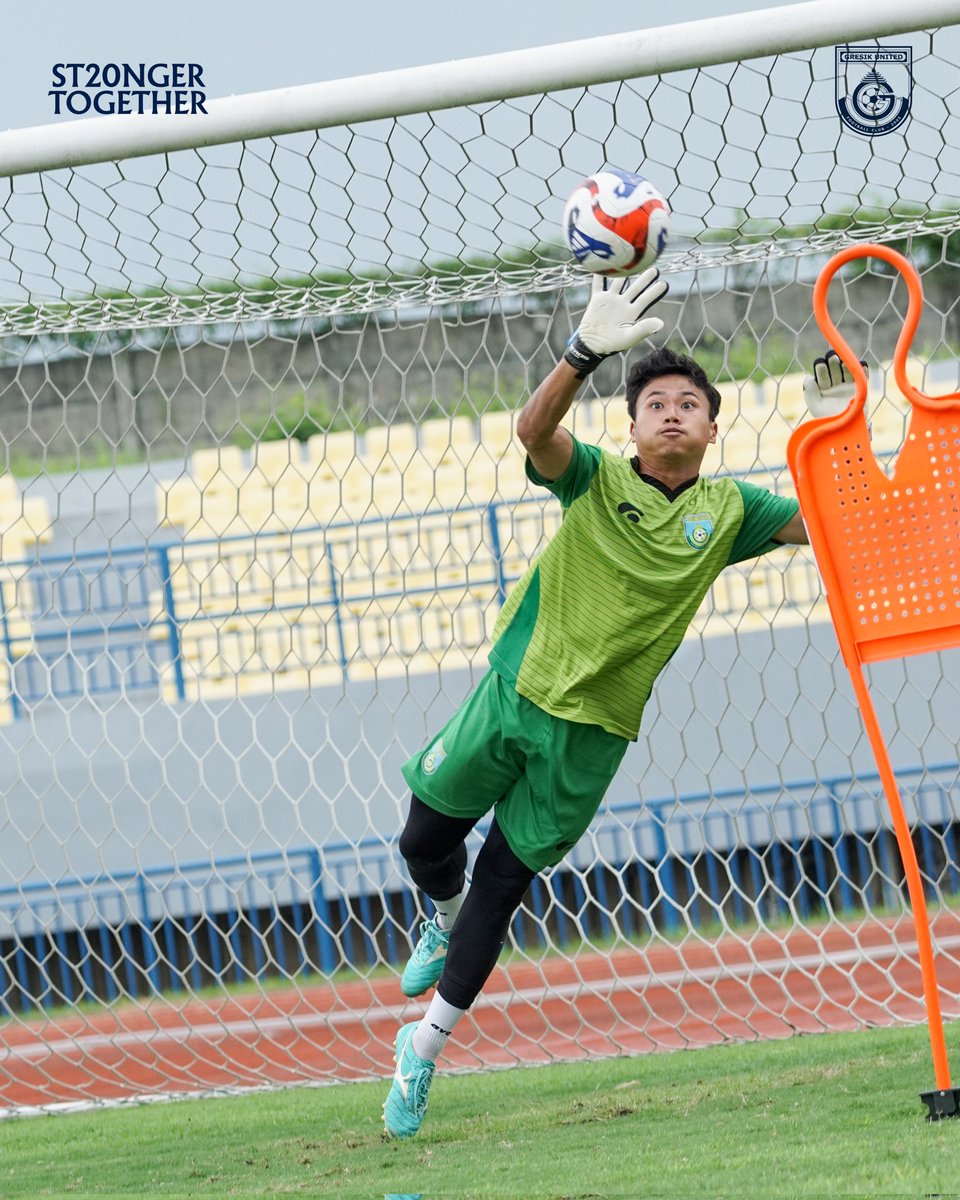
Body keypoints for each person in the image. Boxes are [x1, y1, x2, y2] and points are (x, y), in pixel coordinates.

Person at [382, 268, 848, 1139]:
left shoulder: (733, 509)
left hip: (592, 736)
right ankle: (437, 922)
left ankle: (423, 1048)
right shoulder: (593, 477)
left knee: (504, 882)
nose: (671, 411)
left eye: (688, 404)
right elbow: (532, 431)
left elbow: (833, 518)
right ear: (630, 425)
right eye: (655, 403)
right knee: (422, 841)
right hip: (515, 691)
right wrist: (582, 353)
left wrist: (841, 423)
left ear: (713, 427)